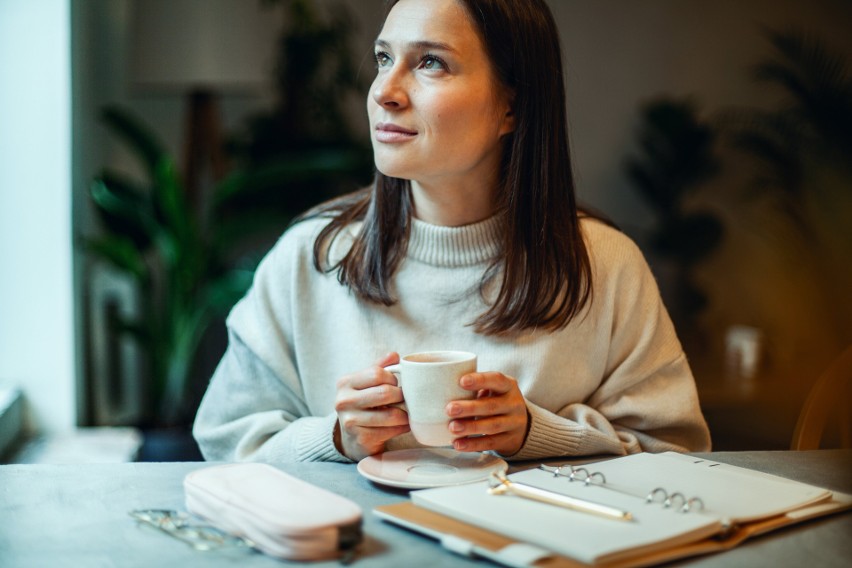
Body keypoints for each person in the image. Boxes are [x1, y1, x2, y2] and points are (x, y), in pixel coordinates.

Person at [193, 0, 712, 463]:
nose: (384, 92)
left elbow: (677, 450)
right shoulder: (312, 255)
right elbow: (223, 438)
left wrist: (538, 433)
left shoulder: (605, 264)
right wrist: (334, 439)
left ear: (512, 106)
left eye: (430, 62)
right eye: (382, 59)